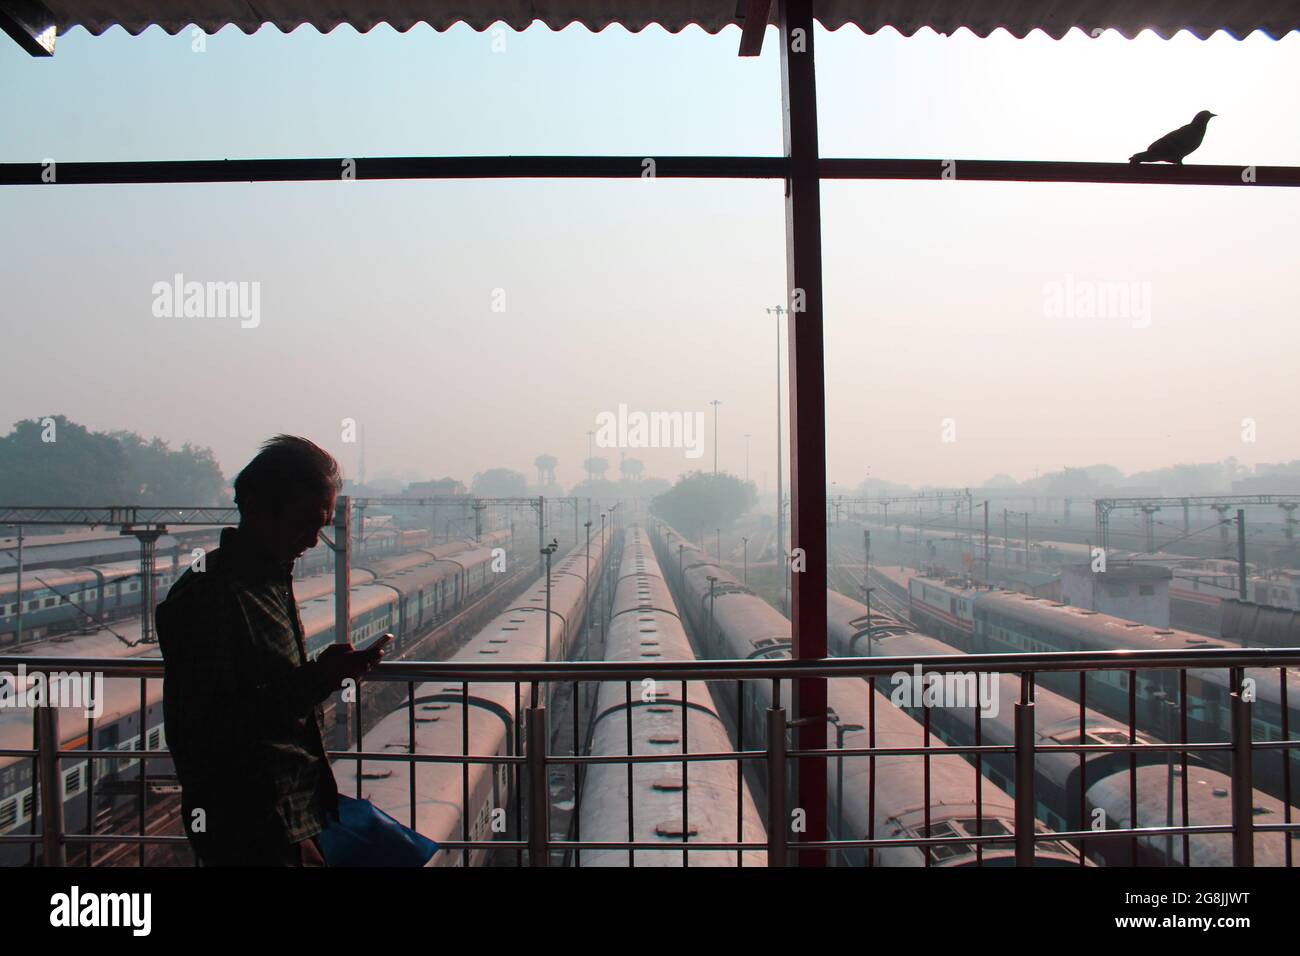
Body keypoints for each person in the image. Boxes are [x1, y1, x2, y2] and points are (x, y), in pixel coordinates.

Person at [156, 434, 387, 866]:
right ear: (258, 510)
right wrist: (320, 677)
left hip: (289, 814)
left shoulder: (266, 582)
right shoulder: (212, 594)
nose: (314, 541)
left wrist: (321, 675)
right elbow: (216, 722)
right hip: (250, 820)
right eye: (303, 523)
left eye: (320, 526)